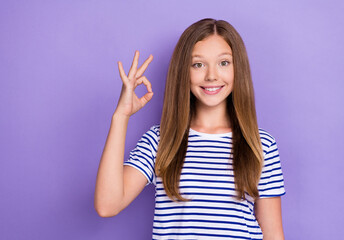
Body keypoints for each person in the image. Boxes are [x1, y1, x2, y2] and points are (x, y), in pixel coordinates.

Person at [94, 18, 286, 240]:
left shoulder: (260, 144)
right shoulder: (161, 140)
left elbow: (272, 234)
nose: (212, 75)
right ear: (183, 71)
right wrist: (121, 116)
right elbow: (107, 206)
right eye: (198, 64)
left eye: (224, 63)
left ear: (238, 69)